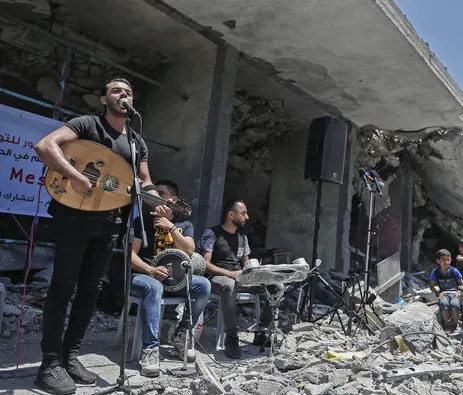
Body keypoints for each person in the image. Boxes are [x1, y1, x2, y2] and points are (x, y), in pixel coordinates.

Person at [33, 78, 162, 394]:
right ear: (104, 99)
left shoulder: (135, 141)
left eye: (128, 92)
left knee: (90, 292)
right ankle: (49, 363)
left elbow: (144, 181)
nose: (123, 95)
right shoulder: (87, 124)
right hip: (73, 218)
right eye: (117, 90)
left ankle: (70, 356)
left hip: (110, 223)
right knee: (63, 287)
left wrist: (158, 199)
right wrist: (75, 175)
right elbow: (45, 146)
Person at [130, 180, 211, 377]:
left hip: (175, 281)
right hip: (144, 277)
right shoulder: (142, 221)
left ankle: (181, 334)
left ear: (172, 199)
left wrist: (170, 228)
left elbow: (190, 251)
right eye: (152, 193)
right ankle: (150, 349)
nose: (154, 196)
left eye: (160, 193)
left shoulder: (184, 224)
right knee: (154, 288)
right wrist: (150, 270)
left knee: (203, 285)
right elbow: (129, 256)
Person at [198, 199, 281, 359]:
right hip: (218, 277)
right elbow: (204, 264)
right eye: (243, 213)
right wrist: (229, 273)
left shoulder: (243, 237)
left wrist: (257, 271)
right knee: (229, 285)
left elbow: (246, 263)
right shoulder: (212, 233)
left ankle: (262, 331)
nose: (247, 217)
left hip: (240, 277)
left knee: (277, 286)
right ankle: (231, 337)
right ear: (231, 214)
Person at [429, 249, 463, 331]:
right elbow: (431, 286)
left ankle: (455, 324)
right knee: (443, 304)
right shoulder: (435, 272)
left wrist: (459, 291)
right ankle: (447, 324)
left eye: (448, 260)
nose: (446, 262)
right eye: (443, 260)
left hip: (454, 292)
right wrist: (438, 293)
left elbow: (462, 284)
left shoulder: (454, 271)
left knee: (454, 304)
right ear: (438, 261)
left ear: (451, 260)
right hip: (444, 293)